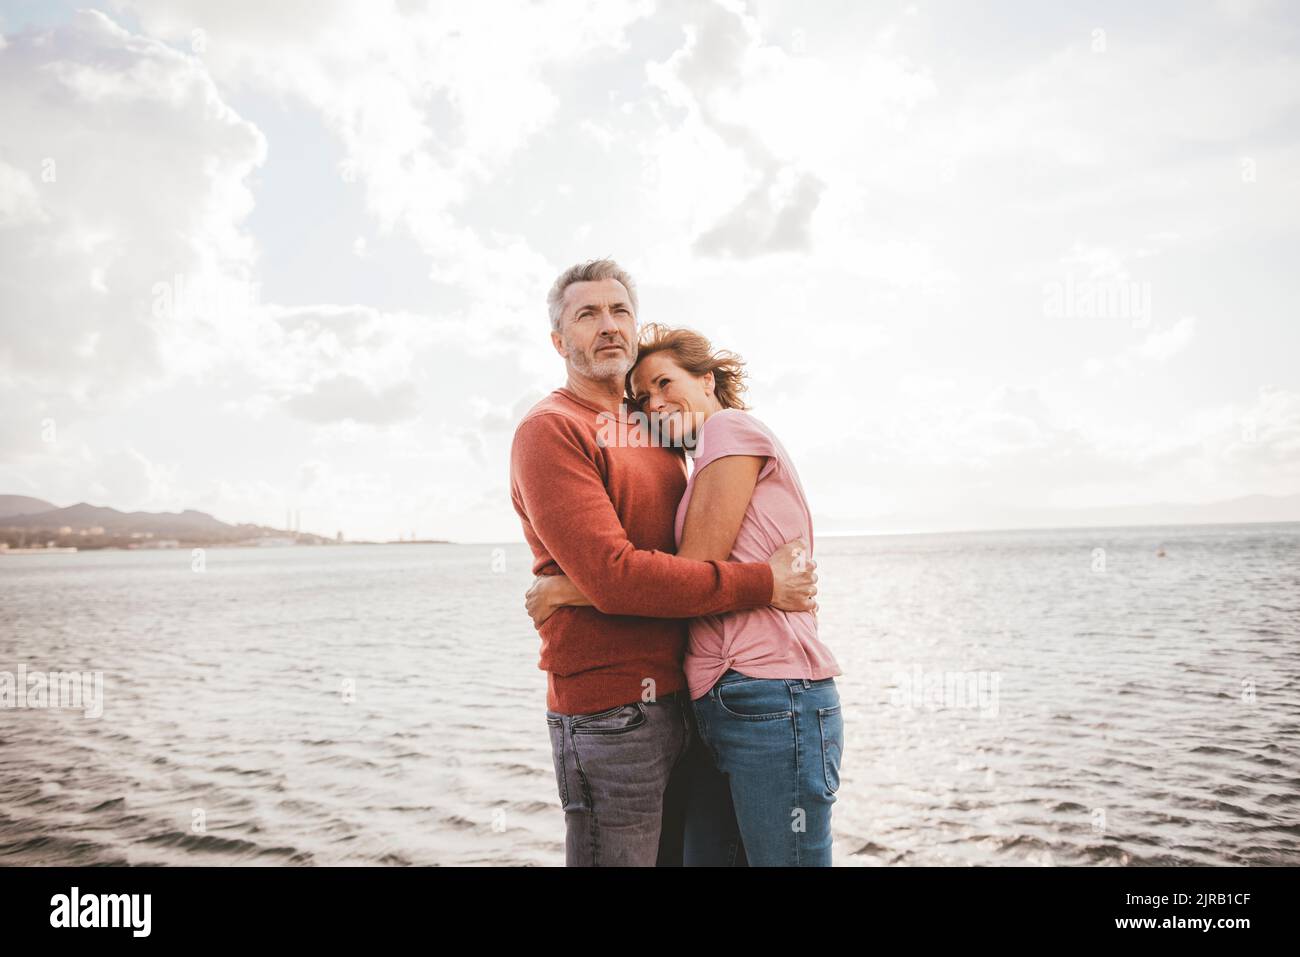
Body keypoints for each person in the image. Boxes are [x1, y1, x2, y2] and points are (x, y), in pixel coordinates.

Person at [509, 258, 819, 866]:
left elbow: (687, 555)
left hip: (692, 700)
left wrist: (572, 589)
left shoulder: (655, 430)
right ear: (558, 340)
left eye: (620, 310)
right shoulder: (551, 430)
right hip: (610, 712)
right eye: (587, 314)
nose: (608, 325)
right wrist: (764, 584)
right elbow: (618, 577)